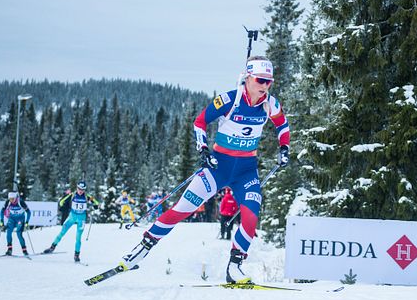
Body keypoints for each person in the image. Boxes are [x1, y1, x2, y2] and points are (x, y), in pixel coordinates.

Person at [119, 56, 290, 283]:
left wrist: (284, 148)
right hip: (218, 167)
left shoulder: (271, 104)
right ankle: (140, 250)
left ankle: (235, 267)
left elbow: (282, 125)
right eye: (261, 80)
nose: (265, 86)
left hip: (246, 171)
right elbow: (200, 121)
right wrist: (203, 149)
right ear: (248, 77)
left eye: (270, 81)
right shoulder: (230, 99)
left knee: (250, 216)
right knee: (183, 208)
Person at [43, 181, 100, 262]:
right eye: (79, 189)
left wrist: (95, 205)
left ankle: (76, 255)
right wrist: (63, 206)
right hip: (72, 217)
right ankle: (52, 248)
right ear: (77, 188)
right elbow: (61, 201)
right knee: (62, 232)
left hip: (81, 218)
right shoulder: (72, 195)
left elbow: (96, 202)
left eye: (83, 189)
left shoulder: (87, 196)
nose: (81, 191)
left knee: (78, 238)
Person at [0, 191, 31, 256]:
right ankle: (9, 250)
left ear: (16, 198)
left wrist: (27, 222)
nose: (11, 200)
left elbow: (29, 212)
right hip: (12, 219)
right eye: (10, 199)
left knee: (19, 234)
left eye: (12, 199)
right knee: (8, 233)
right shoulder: (7, 202)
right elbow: (2, 211)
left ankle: (24, 250)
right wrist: (1, 222)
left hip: (20, 219)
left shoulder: (21, 202)